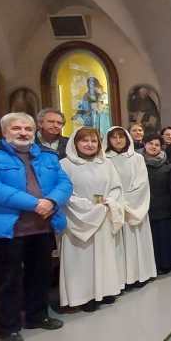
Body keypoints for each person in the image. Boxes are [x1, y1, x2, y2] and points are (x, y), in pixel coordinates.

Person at [0, 112, 71, 341]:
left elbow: (64, 183)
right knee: (8, 279)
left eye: (28, 129)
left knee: (41, 274)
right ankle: (9, 327)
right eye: (17, 128)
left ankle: (37, 316)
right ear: (4, 131)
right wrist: (35, 203)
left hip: (41, 225)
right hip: (6, 228)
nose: (23, 133)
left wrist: (52, 201)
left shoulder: (47, 155)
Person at [59, 127, 125, 312]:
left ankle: (105, 290)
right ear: (75, 143)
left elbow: (116, 187)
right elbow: (65, 193)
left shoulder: (106, 163)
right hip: (78, 220)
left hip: (103, 214)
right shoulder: (65, 165)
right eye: (84, 141)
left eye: (94, 141)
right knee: (82, 258)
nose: (89, 145)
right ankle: (85, 295)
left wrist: (108, 202)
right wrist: (89, 208)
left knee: (105, 255)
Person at [105, 127, 157, 288]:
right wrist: (116, 202)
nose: (118, 140)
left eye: (121, 137)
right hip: (114, 208)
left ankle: (141, 274)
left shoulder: (137, 158)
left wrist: (126, 203)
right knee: (118, 246)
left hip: (134, 207)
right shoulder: (104, 159)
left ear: (127, 138)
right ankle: (122, 279)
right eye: (114, 137)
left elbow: (141, 184)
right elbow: (104, 185)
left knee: (137, 242)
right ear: (108, 140)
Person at [143, 135, 171, 273]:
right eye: (150, 143)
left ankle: (168, 264)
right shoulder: (139, 164)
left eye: (157, 145)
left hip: (166, 208)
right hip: (146, 209)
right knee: (153, 240)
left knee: (166, 238)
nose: (153, 147)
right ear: (145, 145)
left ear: (161, 148)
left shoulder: (169, 166)